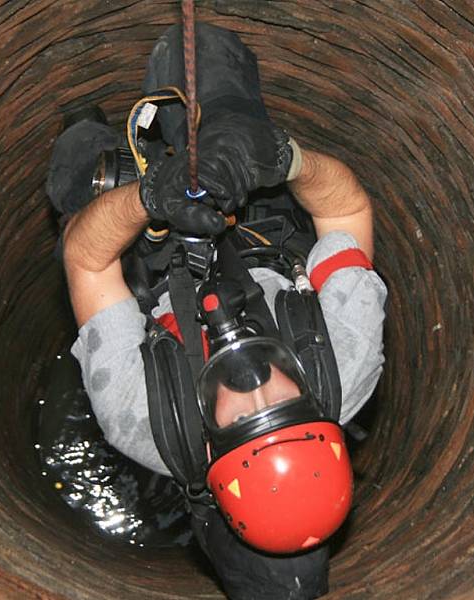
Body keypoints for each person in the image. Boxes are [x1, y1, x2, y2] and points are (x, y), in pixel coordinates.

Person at [47, 22, 387, 600]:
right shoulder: (347, 364)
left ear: (211, 452)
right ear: (320, 414)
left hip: (152, 274)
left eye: (239, 417)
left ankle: (81, 126)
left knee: (80, 167)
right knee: (201, 60)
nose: (253, 378)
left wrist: (149, 197)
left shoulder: (142, 420)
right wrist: (283, 161)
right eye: (281, 403)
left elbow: (87, 261)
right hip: (259, 236)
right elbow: (345, 211)